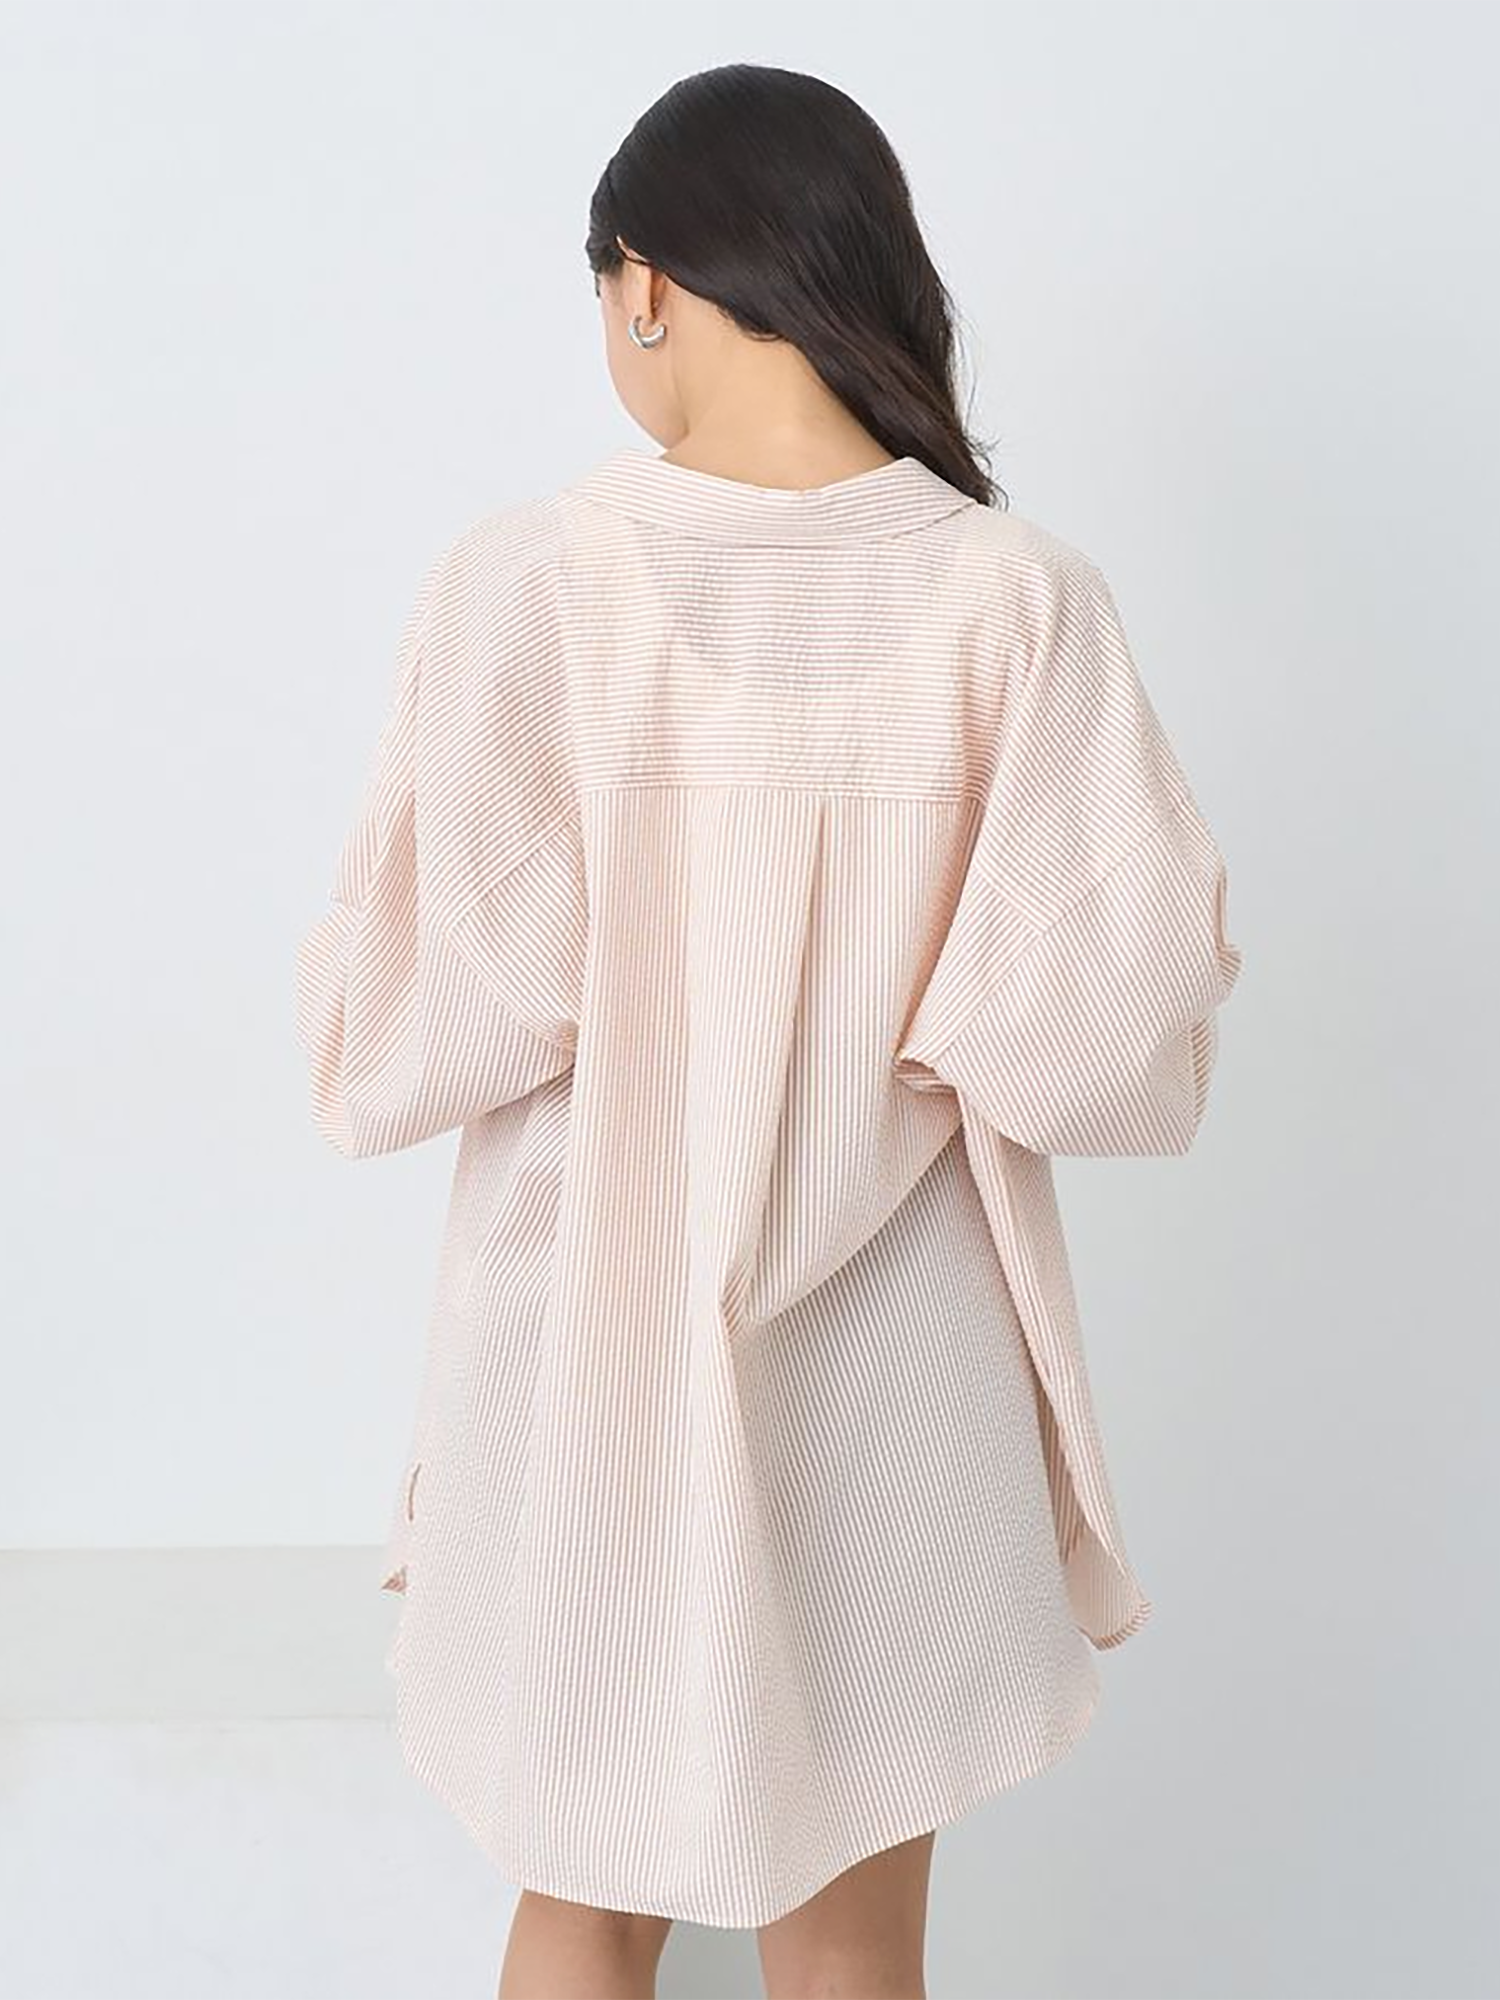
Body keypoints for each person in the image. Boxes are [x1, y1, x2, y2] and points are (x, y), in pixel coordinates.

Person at [293, 61, 1243, 2000]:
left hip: (585, 1353)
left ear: (644, 282)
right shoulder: (1015, 602)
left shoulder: (531, 583)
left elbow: (405, 1027)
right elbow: (1111, 1033)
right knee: (852, 1935)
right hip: (901, 1374)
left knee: (581, 1900)